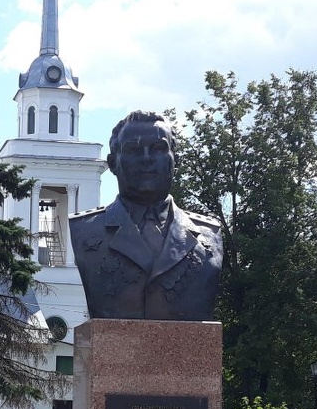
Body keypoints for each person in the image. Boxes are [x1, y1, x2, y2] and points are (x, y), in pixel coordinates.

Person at [69, 110, 223, 321]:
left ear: (175, 160)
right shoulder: (84, 230)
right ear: (113, 163)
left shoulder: (208, 235)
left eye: (159, 148)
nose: (147, 158)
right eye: (134, 149)